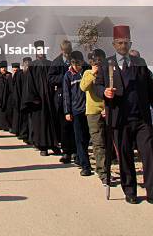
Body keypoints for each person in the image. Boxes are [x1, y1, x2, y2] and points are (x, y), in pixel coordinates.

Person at [95, 25, 153, 204]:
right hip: (120, 118)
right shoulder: (107, 64)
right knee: (125, 155)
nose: (123, 46)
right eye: (120, 42)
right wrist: (104, 92)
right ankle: (130, 191)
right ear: (114, 44)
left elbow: (150, 87)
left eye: (126, 42)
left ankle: (151, 191)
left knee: (149, 154)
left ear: (131, 43)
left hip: (141, 118)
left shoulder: (139, 63)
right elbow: (97, 86)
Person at [22, 40, 59, 156]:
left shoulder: (50, 63)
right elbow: (29, 84)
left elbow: (55, 78)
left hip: (51, 98)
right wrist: (34, 98)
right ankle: (43, 146)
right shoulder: (32, 66)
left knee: (53, 121)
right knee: (41, 123)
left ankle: (54, 144)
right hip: (39, 100)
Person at [80, 48, 107, 183]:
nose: (97, 62)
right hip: (93, 112)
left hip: (108, 110)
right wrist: (93, 74)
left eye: (99, 60)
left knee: (108, 141)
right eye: (94, 61)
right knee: (98, 142)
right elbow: (83, 87)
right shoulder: (87, 73)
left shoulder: (108, 72)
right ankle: (103, 172)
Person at [63, 50, 92, 176]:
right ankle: (86, 166)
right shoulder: (68, 76)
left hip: (89, 109)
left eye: (79, 63)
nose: (76, 66)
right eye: (74, 63)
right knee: (79, 138)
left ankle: (80, 158)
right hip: (76, 110)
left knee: (87, 138)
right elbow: (66, 95)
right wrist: (67, 111)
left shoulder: (87, 71)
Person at [48, 39, 76, 164]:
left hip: (76, 97)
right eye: (66, 52)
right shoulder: (56, 62)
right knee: (64, 127)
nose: (68, 54)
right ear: (62, 51)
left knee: (76, 126)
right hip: (61, 98)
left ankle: (76, 151)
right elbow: (51, 78)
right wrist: (66, 76)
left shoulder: (76, 59)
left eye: (69, 51)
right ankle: (66, 152)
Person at [0, 61, 11, 131]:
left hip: (9, 99)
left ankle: (9, 126)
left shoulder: (10, 76)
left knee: (9, 113)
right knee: (2, 113)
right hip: (1, 99)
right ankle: (3, 126)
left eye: (4, 67)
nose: (3, 69)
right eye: (2, 68)